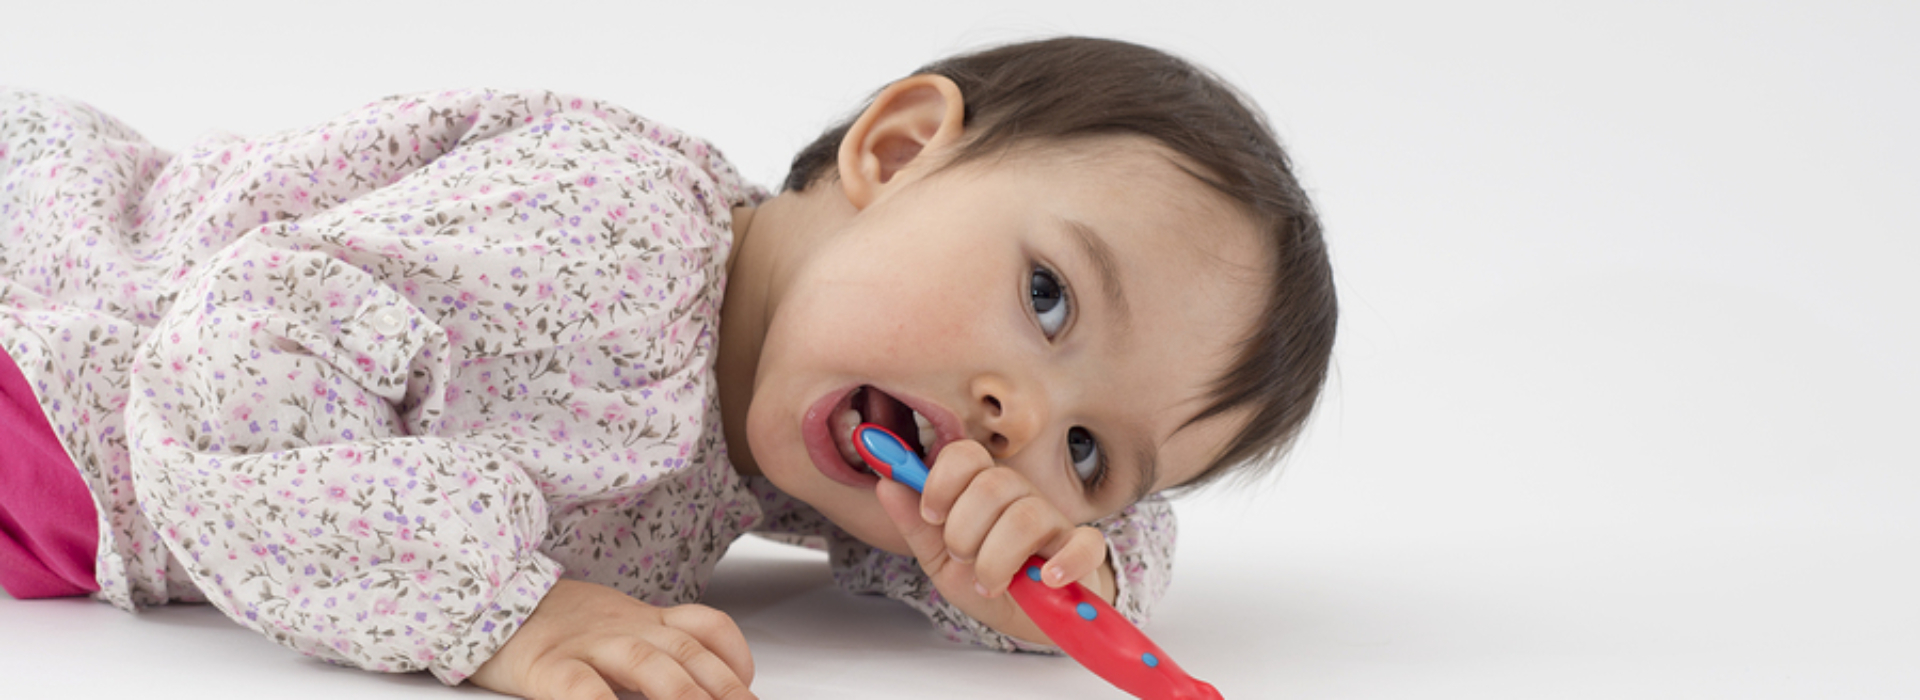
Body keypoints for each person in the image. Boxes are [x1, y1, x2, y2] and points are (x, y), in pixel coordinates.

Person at [0, 36, 1334, 700]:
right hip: (47, 339)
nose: (1020, 419)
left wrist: (1034, 567)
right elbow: (228, 370)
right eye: (1047, 297)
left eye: (1087, 449)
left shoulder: (808, 449)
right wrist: (512, 612)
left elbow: (1125, 549)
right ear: (898, 152)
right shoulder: (610, 236)